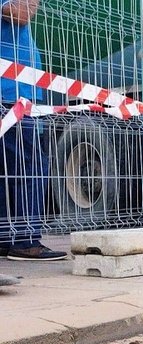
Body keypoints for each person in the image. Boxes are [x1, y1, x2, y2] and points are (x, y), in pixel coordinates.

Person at [0, 0, 65, 261]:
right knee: (31, 167)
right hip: (13, 98)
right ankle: (26, 240)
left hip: (15, 96)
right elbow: (21, 13)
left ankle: (6, 238)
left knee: (8, 172)